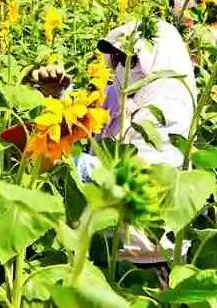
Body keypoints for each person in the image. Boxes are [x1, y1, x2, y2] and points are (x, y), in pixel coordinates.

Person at [22, 19, 197, 267]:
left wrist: (74, 166)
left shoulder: (169, 103)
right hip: (106, 245)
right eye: (115, 58)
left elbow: (148, 178)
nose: (119, 66)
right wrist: (56, 95)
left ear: (154, 57)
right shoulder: (131, 89)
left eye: (128, 58)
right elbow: (94, 109)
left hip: (149, 259)